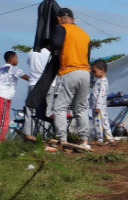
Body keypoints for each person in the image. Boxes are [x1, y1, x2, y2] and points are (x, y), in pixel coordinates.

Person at [50, 8, 92, 151]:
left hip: (69, 71)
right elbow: (88, 56)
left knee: (60, 107)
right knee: (81, 108)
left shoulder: (61, 28)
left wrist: (49, 45)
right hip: (85, 72)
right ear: (73, 19)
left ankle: (62, 139)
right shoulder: (85, 34)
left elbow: (56, 44)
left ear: (59, 18)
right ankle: (85, 140)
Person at [0, 51, 30, 141]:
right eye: (16, 58)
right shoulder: (13, 68)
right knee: (2, 122)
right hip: (2, 97)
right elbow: (26, 77)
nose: (18, 61)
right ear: (11, 59)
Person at [23, 45, 51, 140]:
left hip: (33, 83)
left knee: (30, 110)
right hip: (47, 84)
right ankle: (43, 136)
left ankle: (28, 134)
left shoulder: (31, 51)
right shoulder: (49, 53)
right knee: (47, 111)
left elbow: (29, 63)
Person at [89, 59, 115, 146]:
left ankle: (107, 139)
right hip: (96, 106)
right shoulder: (98, 81)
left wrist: (98, 106)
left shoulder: (103, 82)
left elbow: (102, 95)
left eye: (94, 71)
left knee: (102, 123)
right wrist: (90, 75)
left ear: (102, 70)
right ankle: (101, 139)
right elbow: (91, 84)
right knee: (98, 123)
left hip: (99, 107)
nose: (93, 73)